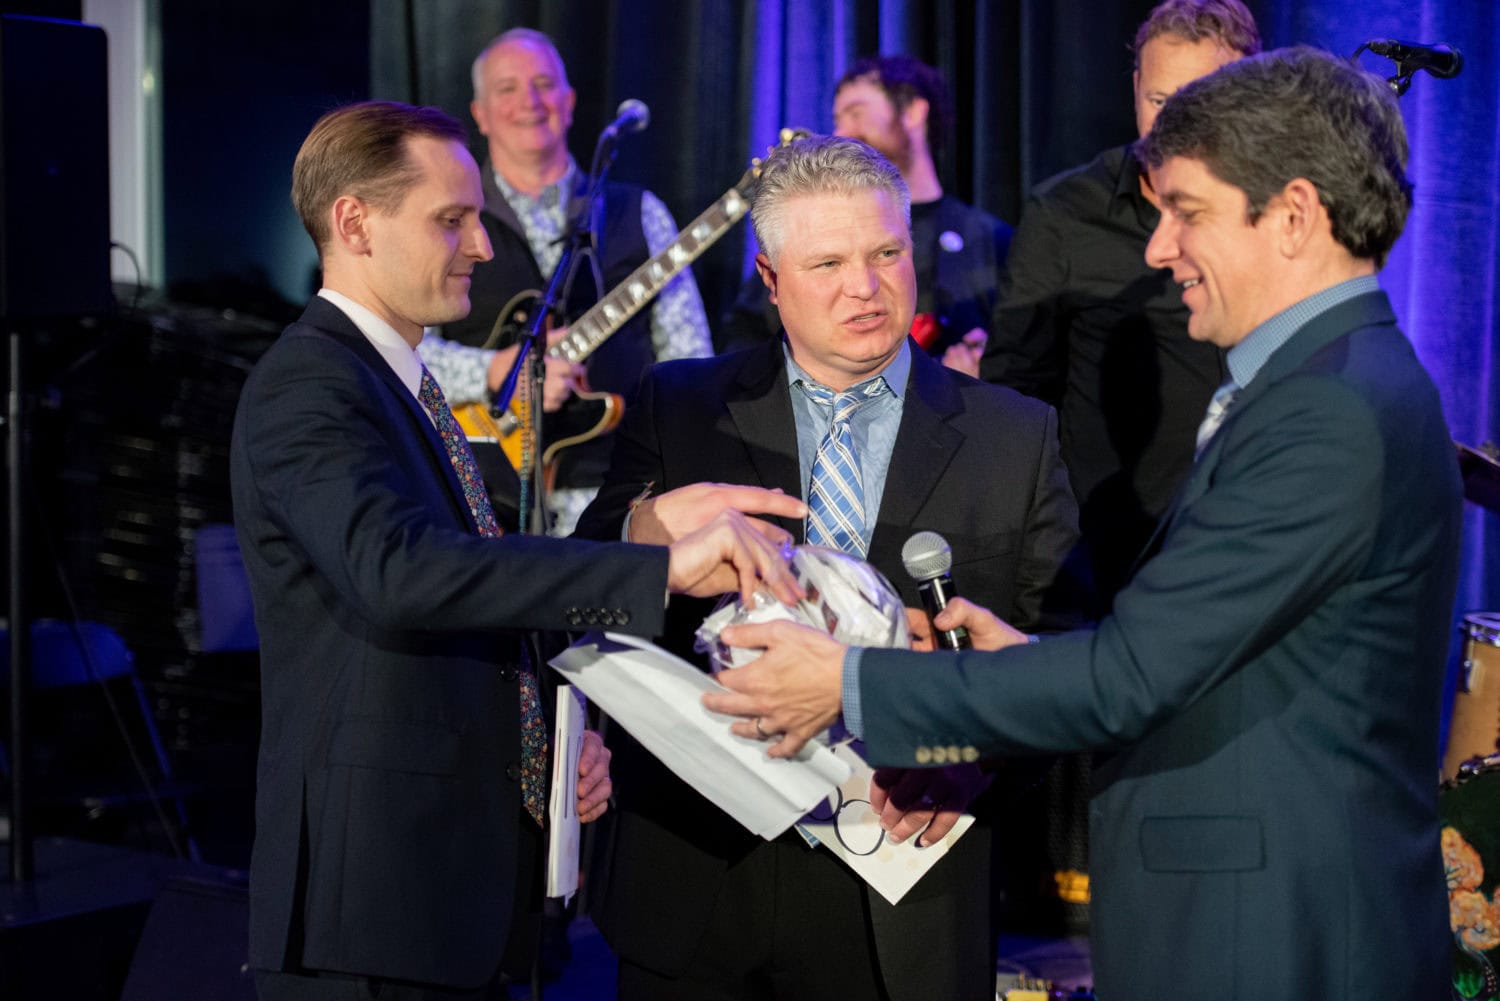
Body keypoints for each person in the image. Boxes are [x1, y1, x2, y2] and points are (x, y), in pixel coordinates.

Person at [708, 47, 1463, 999]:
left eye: (1187, 212)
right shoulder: (1329, 382)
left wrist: (846, 680)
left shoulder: (1328, 409)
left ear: (1294, 216)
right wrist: (1025, 656)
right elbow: (1201, 658)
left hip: (1277, 934)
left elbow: (1134, 674)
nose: (1158, 249)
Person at [231, 100, 801, 1000]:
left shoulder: (392, 382)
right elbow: (403, 573)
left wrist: (545, 747)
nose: (481, 246)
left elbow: (467, 595)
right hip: (374, 914)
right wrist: (656, 569)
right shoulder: (311, 381)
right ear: (355, 222)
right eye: (451, 219)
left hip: (444, 904)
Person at [573, 135, 1078, 1001]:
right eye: (829, 263)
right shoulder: (680, 405)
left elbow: (1067, 649)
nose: (865, 287)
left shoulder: (1016, 434)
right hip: (695, 876)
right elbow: (584, 589)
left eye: (886, 253)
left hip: (906, 883)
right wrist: (642, 530)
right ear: (770, 280)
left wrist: (981, 762)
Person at [983, 0, 1260, 612]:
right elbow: (1014, 395)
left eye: (1198, 101)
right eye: (1159, 100)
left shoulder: (1276, 210)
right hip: (1108, 570)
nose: (1173, 127)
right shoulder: (1065, 214)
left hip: (1249, 552)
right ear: (1135, 87)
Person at [418, 28, 713, 536]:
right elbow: (408, 353)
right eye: (507, 89)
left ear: (569, 101)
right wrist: (494, 372)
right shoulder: (444, 220)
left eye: (543, 84)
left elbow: (690, 362)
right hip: (481, 494)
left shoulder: (641, 212)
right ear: (480, 114)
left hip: (621, 488)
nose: (529, 102)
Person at [719, 55, 1012, 377]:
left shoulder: (990, 238)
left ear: (913, 112)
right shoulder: (806, 228)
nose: (841, 131)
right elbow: (746, 338)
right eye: (829, 263)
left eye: (856, 113)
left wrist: (981, 372)